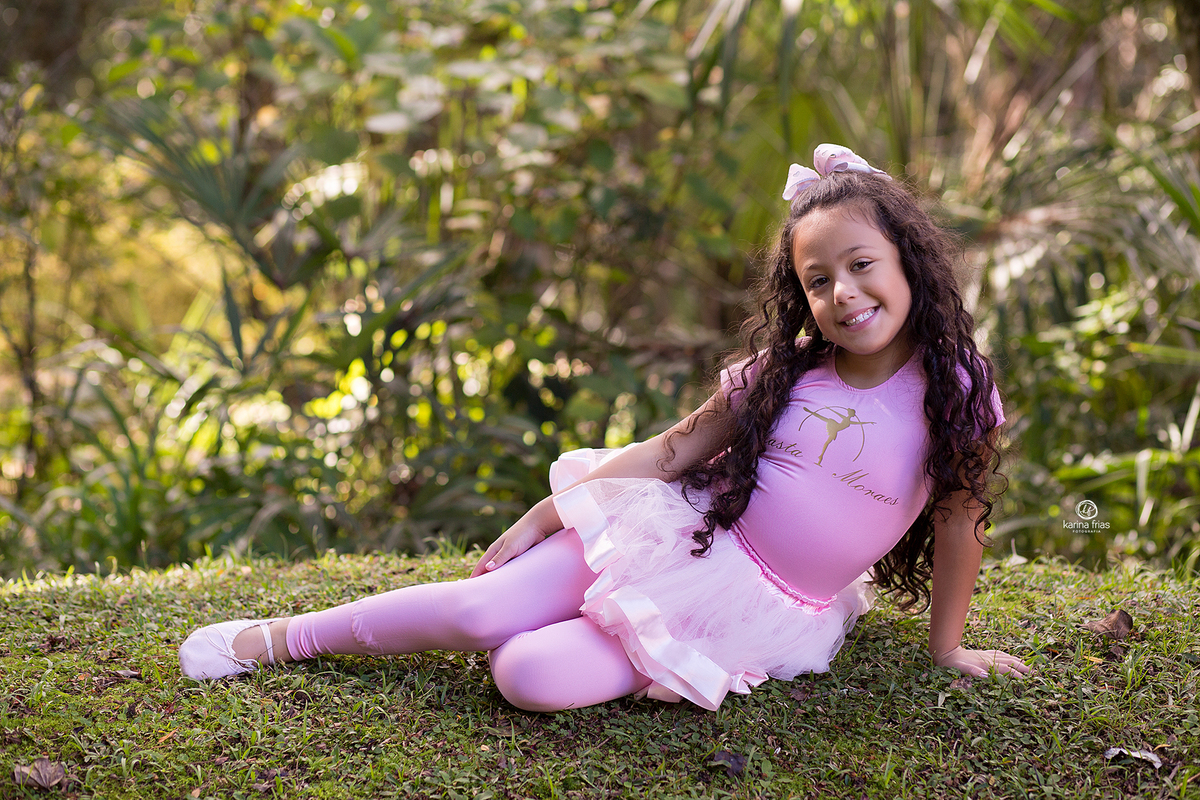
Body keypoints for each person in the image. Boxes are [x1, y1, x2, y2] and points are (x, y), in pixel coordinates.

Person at [179, 144, 1030, 712]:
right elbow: (672, 452)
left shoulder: (956, 390)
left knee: (526, 677)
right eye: (817, 279)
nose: (841, 292)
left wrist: (947, 647)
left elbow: (959, 521)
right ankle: (278, 640)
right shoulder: (788, 371)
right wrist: (544, 515)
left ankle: (574, 621)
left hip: (748, 604)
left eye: (860, 266)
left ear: (908, 263)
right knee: (483, 616)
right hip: (682, 533)